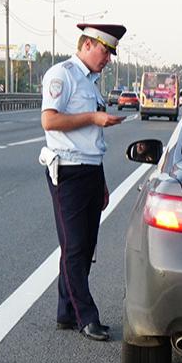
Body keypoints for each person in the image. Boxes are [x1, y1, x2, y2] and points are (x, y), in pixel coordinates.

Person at [39, 23, 127, 341]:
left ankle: (66, 310)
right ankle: (85, 316)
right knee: (75, 246)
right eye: (105, 51)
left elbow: (92, 140)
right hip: (68, 171)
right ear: (88, 44)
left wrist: (101, 182)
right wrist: (93, 117)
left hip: (90, 169)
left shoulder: (90, 81)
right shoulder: (62, 75)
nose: (108, 59)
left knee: (85, 246)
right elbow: (49, 120)